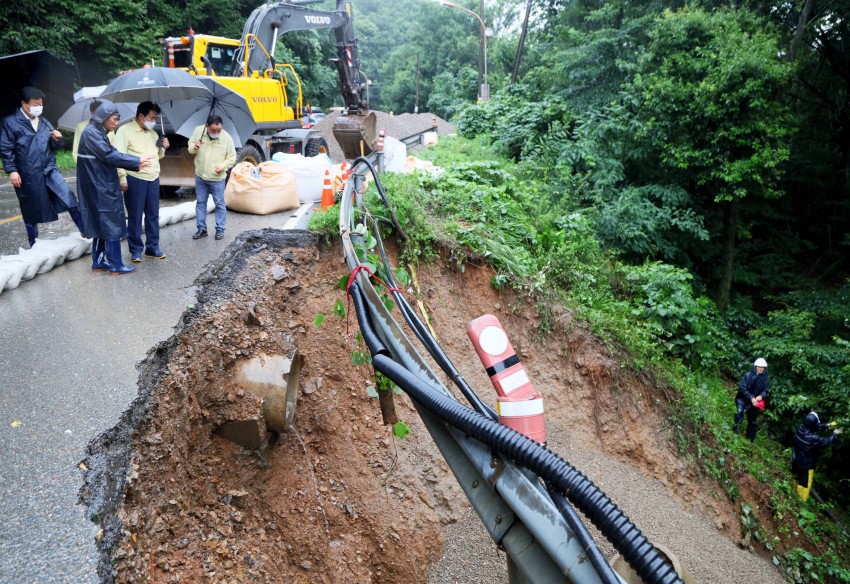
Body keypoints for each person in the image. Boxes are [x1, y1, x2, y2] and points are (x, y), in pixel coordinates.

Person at [1, 86, 86, 247]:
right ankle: (33, 243)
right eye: (35, 103)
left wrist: (58, 140)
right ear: (24, 104)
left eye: (40, 103)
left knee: (68, 197)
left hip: (49, 169)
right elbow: (6, 148)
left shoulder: (44, 121)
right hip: (28, 173)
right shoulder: (11, 122)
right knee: (30, 208)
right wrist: (12, 171)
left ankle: (85, 231)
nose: (38, 107)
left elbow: (54, 147)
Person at [76, 101, 154, 275]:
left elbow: (108, 155)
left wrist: (136, 163)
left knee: (102, 223)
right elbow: (109, 154)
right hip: (99, 186)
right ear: (104, 117)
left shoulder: (96, 132)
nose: (117, 123)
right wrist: (137, 160)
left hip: (98, 184)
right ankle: (116, 265)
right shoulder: (92, 134)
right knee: (110, 222)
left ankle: (98, 262)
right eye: (115, 119)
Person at [114, 102, 169, 262]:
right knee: (135, 215)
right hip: (134, 178)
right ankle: (136, 250)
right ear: (140, 116)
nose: (154, 121)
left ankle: (152, 247)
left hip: (153, 177)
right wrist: (122, 177)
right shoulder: (124, 131)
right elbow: (119, 156)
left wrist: (162, 147)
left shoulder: (152, 133)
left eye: (155, 118)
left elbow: (157, 156)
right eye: (152, 118)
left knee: (153, 215)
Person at [188, 115, 236, 241]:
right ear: (206, 126)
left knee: (219, 204)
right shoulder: (199, 131)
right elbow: (190, 148)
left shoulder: (227, 138)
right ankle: (201, 229)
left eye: (219, 130)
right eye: (213, 130)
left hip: (217, 178)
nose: (216, 133)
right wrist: (195, 146)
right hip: (201, 176)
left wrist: (223, 166)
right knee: (200, 202)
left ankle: (220, 229)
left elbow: (232, 157)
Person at [791, 411, 842, 501]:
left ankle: (791, 495)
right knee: (805, 485)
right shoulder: (813, 438)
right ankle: (799, 503)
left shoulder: (801, 428)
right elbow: (827, 441)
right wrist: (835, 433)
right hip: (806, 465)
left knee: (796, 478)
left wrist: (828, 425)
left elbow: (815, 427)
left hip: (796, 459)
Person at [734, 357, 770, 441]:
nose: (760, 369)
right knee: (739, 413)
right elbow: (742, 388)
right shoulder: (748, 375)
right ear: (755, 367)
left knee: (752, 421)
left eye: (762, 368)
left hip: (755, 402)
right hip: (742, 399)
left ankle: (749, 439)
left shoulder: (765, 379)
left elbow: (766, 390)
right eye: (759, 367)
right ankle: (735, 431)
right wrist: (751, 397)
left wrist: (761, 396)